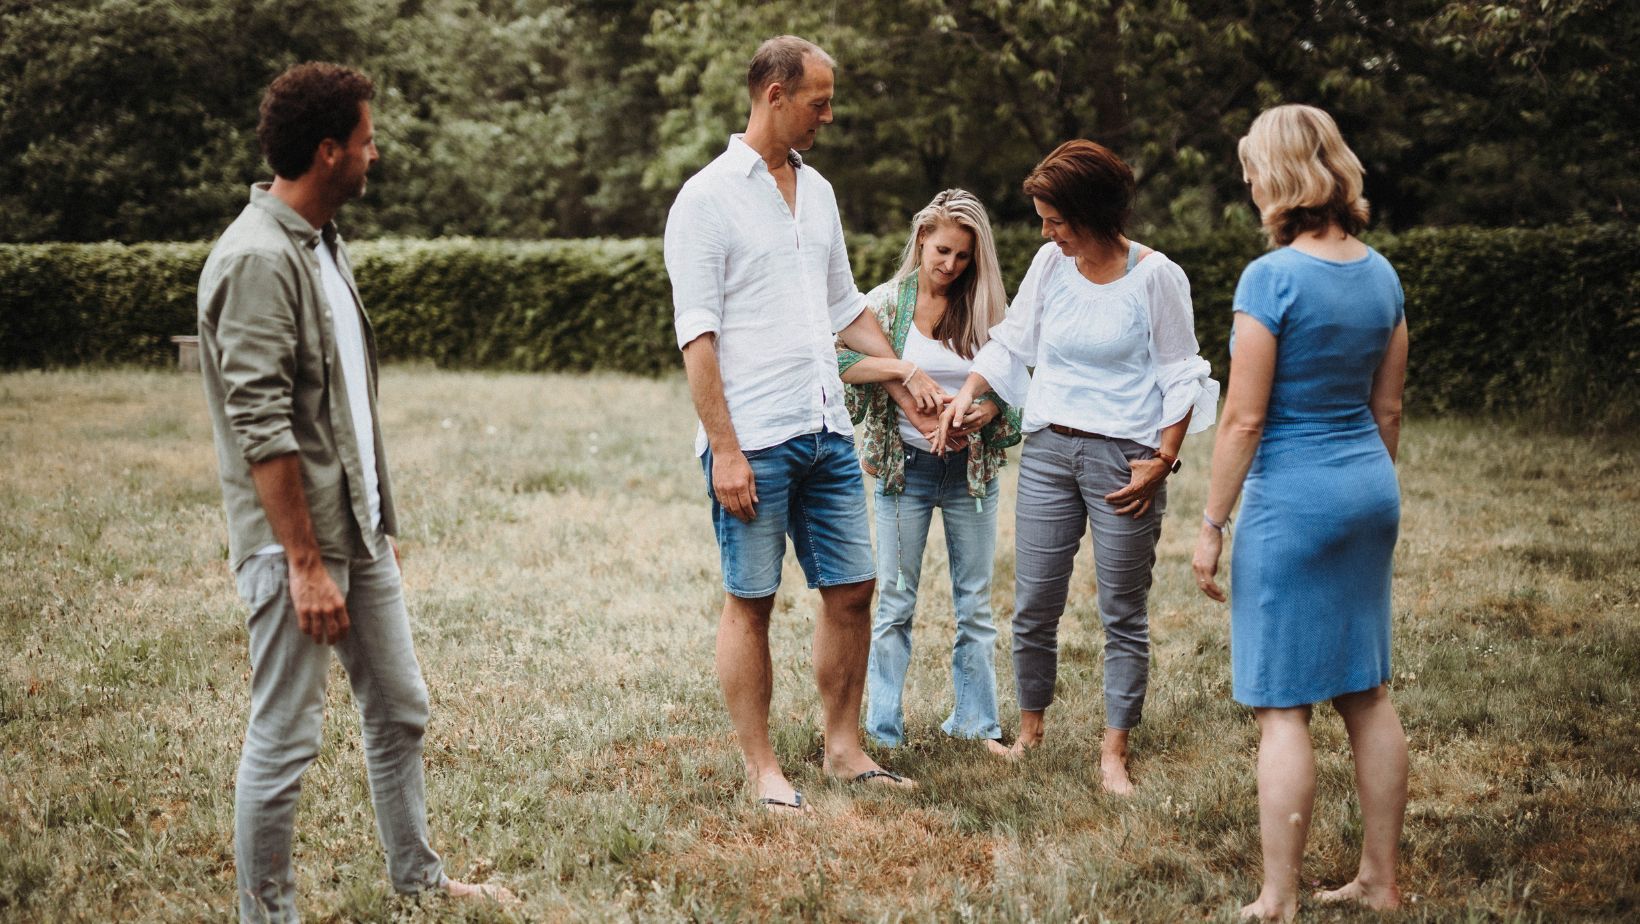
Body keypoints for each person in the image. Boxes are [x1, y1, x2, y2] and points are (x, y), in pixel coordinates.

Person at [197, 62, 513, 920]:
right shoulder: (258, 259)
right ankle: (267, 915)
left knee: (400, 710)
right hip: (296, 549)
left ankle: (416, 877)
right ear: (329, 151)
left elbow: (341, 409)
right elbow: (263, 428)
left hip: (357, 539)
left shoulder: (320, 244)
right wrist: (304, 562)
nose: (378, 152)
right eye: (368, 139)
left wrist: (376, 522)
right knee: (287, 736)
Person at [664, 36, 921, 812]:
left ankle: (843, 750)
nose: (828, 116)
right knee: (753, 597)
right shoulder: (705, 199)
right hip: (756, 437)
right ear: (774, 94)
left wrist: (907, 382)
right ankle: (763, 767)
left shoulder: (822, 193)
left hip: (826, 427)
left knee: (854, 587)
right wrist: (727, 450)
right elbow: (696, 336)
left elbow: (846, 308)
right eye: (819, 101)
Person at [939, 140, 1218, 793]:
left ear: (1090, 213)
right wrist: (968, 391)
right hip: (1048, 454)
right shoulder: (1050, 264)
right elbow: (1014, 340)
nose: (1046, 231)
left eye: (1055, 219)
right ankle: (1030, 733)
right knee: (1034, 602)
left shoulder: (1155, 277)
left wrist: (1163, 459)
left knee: (1122, 608)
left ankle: (1114, 750)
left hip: (1126, 460)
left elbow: (1184, 375)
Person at [1190, 104, 1410, 921]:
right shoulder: (1382, 273)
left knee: (1284, 705)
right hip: (1366, 489)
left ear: (1277, 175)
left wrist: (1211, 524)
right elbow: (1388, 411)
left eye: (1251, 165)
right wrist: (1365, 493)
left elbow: (1244, 419)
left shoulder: (1272, 277)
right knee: (1367, 692)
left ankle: (1278, 898)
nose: (1247, 180)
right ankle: (1380, 883)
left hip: (1294, 498)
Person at [837, 189, 1022, 756]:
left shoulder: (987, 310)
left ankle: (976, 721)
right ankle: (883, 729)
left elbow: (1016, 386)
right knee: (894, 601)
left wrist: (984, 411)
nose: (950, 266)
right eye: (942, 251)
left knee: (976, 603)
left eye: (963, 256)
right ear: (921, 239)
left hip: (971, 474)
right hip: (903, 474)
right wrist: (905, 369)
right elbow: (843, 360)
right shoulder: (886, 305)